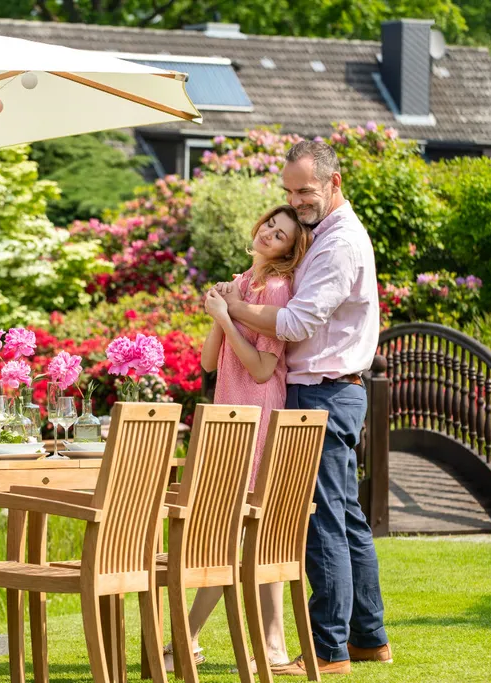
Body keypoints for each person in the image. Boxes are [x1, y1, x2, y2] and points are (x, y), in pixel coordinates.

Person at [217, 140, 391, 676]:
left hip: (323, 394)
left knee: (320, 524)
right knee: (348, 519)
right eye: (289, 190)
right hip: (329, 391)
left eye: (306, 191)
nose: (296, 201)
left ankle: (328, 650)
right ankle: (368, 638)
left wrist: (233, 307)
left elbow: (294, 324)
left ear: (335, 182)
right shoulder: (323, 236)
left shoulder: (339, 244)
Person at [164, 204, 313, 674]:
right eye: (270, 223)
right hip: (230, 413)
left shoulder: (276, 288)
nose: (272, 232)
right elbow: (209, 363)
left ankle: (181, 641)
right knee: (244, 536)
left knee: (229, 534)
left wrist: (228, 317)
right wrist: (217, 315)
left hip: (258, 415)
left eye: (283, 234)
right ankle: (267, 647)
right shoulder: (240, 284)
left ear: (291, 250)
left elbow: (265, 368)